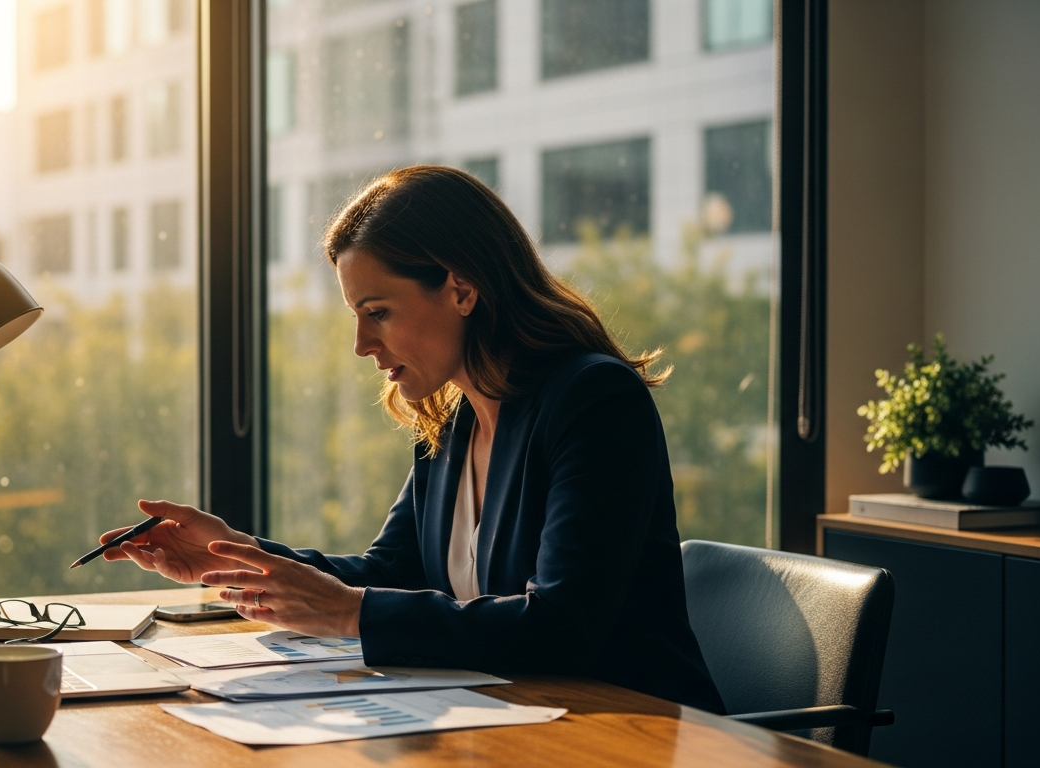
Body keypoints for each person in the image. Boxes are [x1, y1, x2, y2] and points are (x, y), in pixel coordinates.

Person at [100, 165, 725, 713]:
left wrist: (351, 613)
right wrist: (238, 556)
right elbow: (394, 572)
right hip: (508, 719)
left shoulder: (593, 402)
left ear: (460, 288)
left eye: (379, 312)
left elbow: (563, 628)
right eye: (356, 317)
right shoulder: (453, 421)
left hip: (630, 733)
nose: (361, 345)